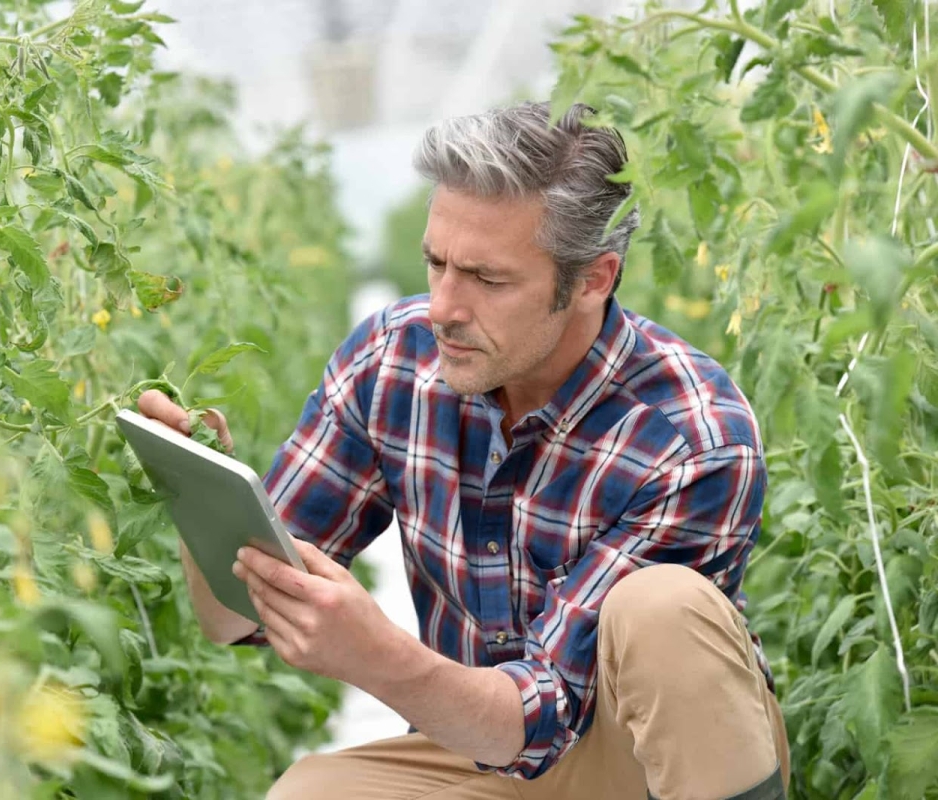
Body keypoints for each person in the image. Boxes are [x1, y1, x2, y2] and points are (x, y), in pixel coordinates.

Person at [137, 101, 789, 800]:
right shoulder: (392, 362)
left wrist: (376, 655)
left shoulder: (691, 438)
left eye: (487, 279)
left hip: (641, 764)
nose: (444, 306)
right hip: (482, 754)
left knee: (662, 610)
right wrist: (200, 491)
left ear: (594, 279)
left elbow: (545, 715)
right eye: (436, 263)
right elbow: (233, 617)